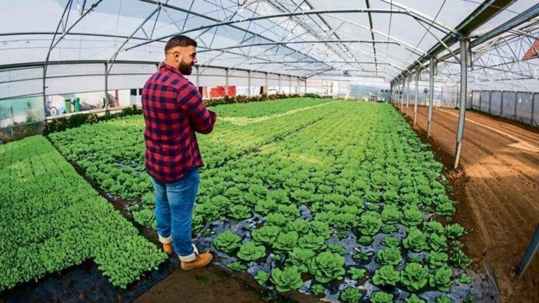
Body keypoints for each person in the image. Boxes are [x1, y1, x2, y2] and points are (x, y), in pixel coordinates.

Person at [141, 35, 217, 270]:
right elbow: (205, 126)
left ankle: (165, 241)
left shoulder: (149, 83)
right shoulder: (185, 88)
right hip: (180, 166)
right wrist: (210, 114)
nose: (195, 60)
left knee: (162, 204)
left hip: (155, 162)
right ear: (176, 55)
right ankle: (187, 258)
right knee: (182, 213)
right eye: (192, 54)